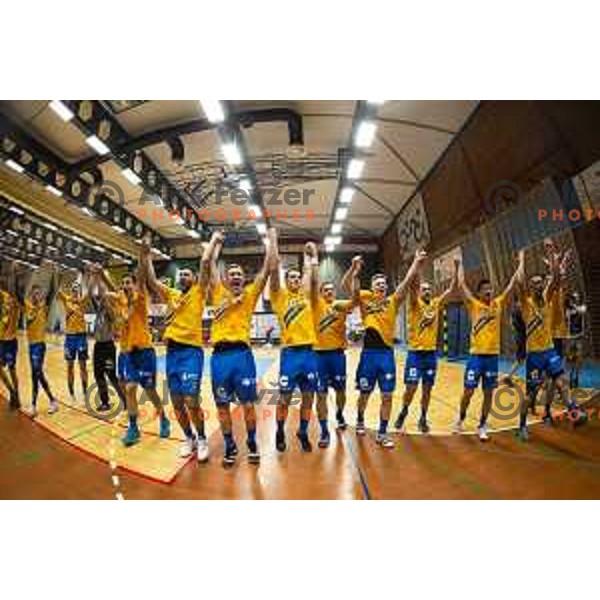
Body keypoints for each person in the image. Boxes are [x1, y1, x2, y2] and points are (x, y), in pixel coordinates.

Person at [140, 233, 220, 462]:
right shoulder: (172, 294)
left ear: (194, 279)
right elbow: (152, 281)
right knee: (176, 403)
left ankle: (202, 438)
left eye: (187, 274)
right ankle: (189, 438)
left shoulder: (199, 292)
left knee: (191, 400)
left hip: (191, 352)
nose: (183, 276)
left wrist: (212, 241)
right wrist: (145, 255)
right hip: (172, 353)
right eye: (181, 274)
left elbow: (205, 264)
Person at [341, 250, 425, 448]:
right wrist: (354, 269)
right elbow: (346, 285)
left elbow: (406, 282)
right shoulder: (365, 298)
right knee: (364, 394)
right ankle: (360, 419)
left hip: (386, 355)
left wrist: (416, 262)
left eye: (383, 284)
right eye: (377, 283)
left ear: (387, 288)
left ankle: (382, 432)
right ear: (371, 287)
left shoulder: (393, 301)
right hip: (368, 355)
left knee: (387, 396)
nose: (381, 286)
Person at [207, 229, 275, 465]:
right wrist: (215, 242)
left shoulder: (250, 293)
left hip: (243, 356)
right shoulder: (218, 292)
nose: (236, 276)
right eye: (232, 273)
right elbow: (210, 266)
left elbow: (267, 270)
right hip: (219, 359)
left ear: (244, 279)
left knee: (248, 405)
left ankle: (252, 441)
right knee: (222, 405)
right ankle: (229, 445)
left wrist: (271, 242)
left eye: (239, 274)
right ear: (226, 278)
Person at [453, 252, 524, 440]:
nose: (489, 291)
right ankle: (460, 419)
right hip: (476, 357)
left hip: (492, 358)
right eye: (485, 289)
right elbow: (461, 285)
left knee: (488, 393)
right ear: (479, 293)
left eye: (490, 288)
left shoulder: (498, 304)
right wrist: (458, 265)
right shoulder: (474, 305)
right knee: (468, 391)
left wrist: (520, 262)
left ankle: (482, 426)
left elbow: (511, 285)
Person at [515, 248, 584, 440]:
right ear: (530, 288)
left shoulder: (546, 298)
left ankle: (574, 413)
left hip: (549, 351)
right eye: (534, 284)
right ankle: (521, 427)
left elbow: (554, 278)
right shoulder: (526, 303)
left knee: (562, 382)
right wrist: (521, 260)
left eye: (540, 283)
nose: (538, 286)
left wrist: (552, 253)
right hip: (535, 356)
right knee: (531, 394)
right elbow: (519, 282)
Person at [394, 256, 457, 434]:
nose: (427, 291)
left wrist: (456, 269)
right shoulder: (414, 304)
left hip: (430, 355)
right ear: (419, 292)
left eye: (429, 289)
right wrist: (418, 265)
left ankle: (423, 417)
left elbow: (452, 290)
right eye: (424, 289)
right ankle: (404, 412)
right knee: (411, 388)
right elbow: (413, 286)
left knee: (427, 389)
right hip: (415, 354)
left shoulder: (436, 304)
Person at [113, 252, 171, 447]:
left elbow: (143, 276)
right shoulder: (121, 304)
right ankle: (133, 427)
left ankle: (163, 417)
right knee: (129, 388)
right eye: (124, 284)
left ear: (134, 284)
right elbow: (121, 320)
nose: (126, 286)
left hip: (145, 351)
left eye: (129, 282)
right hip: (129, 353)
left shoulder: (140, 297)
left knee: (149, 389)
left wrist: (142, 255)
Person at [269, 232, 319, 452]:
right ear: (285, 280)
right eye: (292, 277)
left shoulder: (306, 295)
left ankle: (303, 431)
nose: (296, 280)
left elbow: (310, 273)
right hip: (290, 354)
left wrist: (312, 255)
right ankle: (280, 429)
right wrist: (273, 243)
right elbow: (273, 270)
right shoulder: (279, 297)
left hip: (309, 353)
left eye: (298, 278)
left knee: (309, 398)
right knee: (284, 398)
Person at [310, 252, 357, 447]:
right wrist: (312, 260)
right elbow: (312, 285)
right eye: (325, 290)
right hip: (318, 356)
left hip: (338, 355)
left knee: (340, 390)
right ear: (321, 293)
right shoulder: (315, 305)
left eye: (331, 290)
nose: (329, 293)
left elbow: (355, 299)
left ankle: (339, 413)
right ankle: (323, 430)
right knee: (320, 394)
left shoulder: (340, 305)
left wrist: (354, 271)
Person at [87, 264, 128, 413]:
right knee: (98, 374)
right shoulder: (98, 311)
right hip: (98, 346)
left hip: (108, 347)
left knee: (111, 375)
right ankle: (105, 402)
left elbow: (105, 299)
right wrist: (94, 277)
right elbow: (91, 294)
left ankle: (124, 400)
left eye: (104, 299)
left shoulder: (112, 313)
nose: (101, 300)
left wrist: (103, 287)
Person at [23, 262, 59, 416]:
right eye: (34, 293)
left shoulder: (44, 306)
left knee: (35, 372)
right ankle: (52, 400)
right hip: (31, 345)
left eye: (38, 293)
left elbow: (52, 291)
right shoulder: (27, 306)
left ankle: (33, 405)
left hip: (40, 345)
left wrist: (54, 273)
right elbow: (18, 293)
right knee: (37, 373)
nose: (36, 295)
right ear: (31, 295)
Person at [56, 273, 90, 402]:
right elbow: (58, 291)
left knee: (82, 365)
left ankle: (85, 391)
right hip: (69, 338)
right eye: (73, 288)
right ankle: (71, 392)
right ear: (71, 290)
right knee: (70, 366)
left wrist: (89, 277)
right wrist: (58, 277)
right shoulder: (67, 299)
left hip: (81, 337)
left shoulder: (83, 301)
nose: (75, 290)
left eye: (77, 288)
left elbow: (90, 292)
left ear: (80, 290)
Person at [0, 261, 21, 409]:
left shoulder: (16, 302)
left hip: (10, 341)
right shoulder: (4, 297)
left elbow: (13, 286)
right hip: (2, 340)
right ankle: (13, 392)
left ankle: (16, 395)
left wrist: (13, 272)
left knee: (12, 370)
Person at [502, 300, 527, 390]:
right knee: (522, 359)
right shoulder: (519, 311)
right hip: (522, 337)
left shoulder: (513, 312)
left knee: (521, 359)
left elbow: (511, 324)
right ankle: (508, 376)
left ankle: (509, 376)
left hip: (519, 336)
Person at [565, 291, 586, 390]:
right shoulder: (569, 310)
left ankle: (576, 378)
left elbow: (582, 311)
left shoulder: (582, 307)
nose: (575, 299)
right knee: (569, 358)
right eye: (574, 297)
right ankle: (569, 377)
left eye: (577, 297)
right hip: (570, 337)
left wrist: (573, 305)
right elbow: (567, 318)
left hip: (579, 337)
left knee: (578, 358)